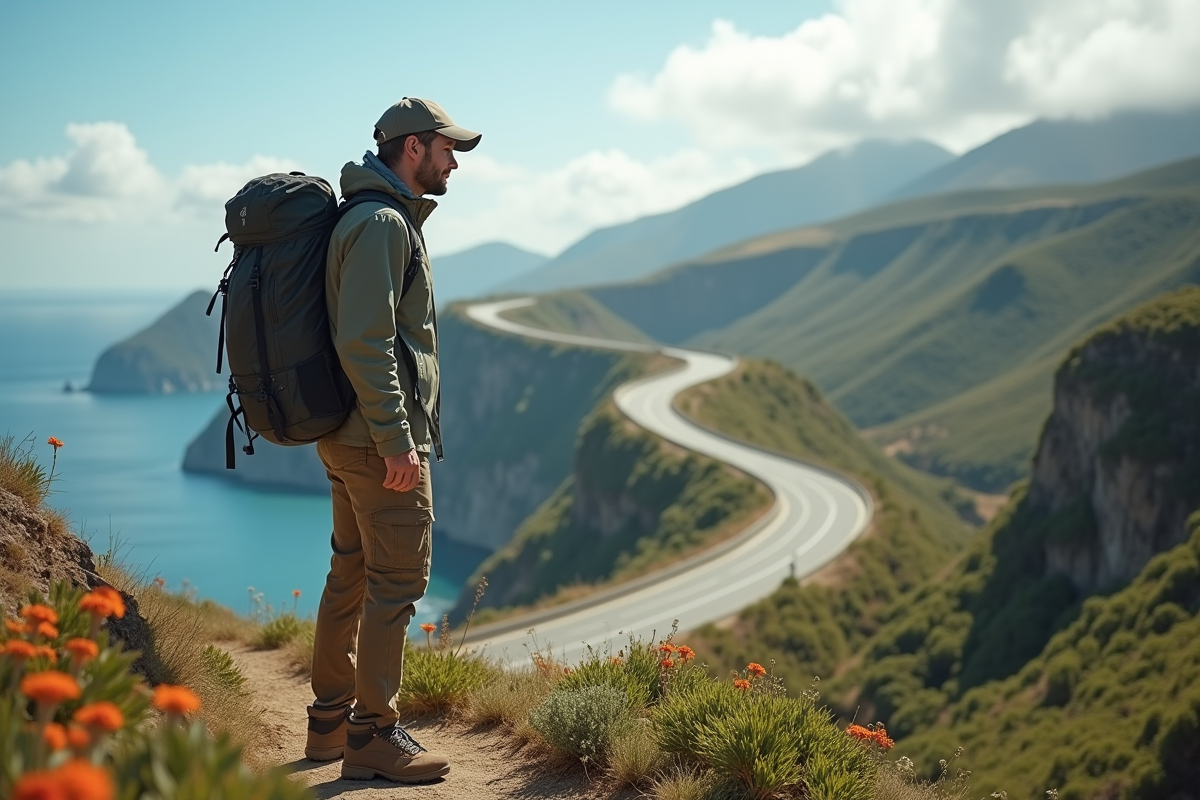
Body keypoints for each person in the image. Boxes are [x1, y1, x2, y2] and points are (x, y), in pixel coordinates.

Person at [303, 97, 480, 783]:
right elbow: (366, 341)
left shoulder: (371, 216)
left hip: (347, 436)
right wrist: (398, 440)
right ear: (413, 148)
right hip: (379, 442)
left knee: (350, 572)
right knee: (397, 582)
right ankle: (373, 733)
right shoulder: (382, 224)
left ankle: (328, 726)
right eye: (446, 148)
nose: (453, 161)